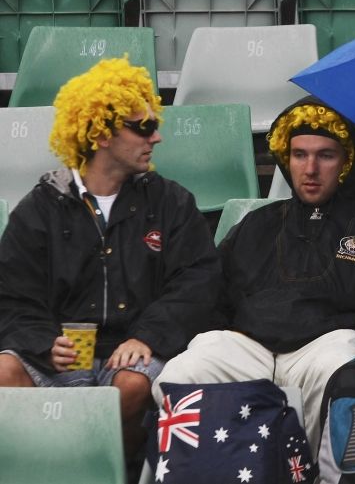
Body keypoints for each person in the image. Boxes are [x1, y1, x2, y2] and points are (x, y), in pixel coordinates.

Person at [153, 96, 355, 453]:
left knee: (344, 363)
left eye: (325, 155)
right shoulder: (256, 224)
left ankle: (309, 474)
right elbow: (212, 294)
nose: (310, 169)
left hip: (326, 347)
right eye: (299, 154)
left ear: (348, 162)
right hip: (250, 346)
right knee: (179, 374)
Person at [0, 56, 220, 468]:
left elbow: (198, 281)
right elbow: (11, 294)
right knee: (3, 372)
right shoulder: (40, 207)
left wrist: (148, 337)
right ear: (101, 133)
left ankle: (88, 470)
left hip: (133, 349)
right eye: (143, 127)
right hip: (59, 353)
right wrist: (43, 342)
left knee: (134, 383)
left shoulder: (172, 201)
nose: (156, 138)